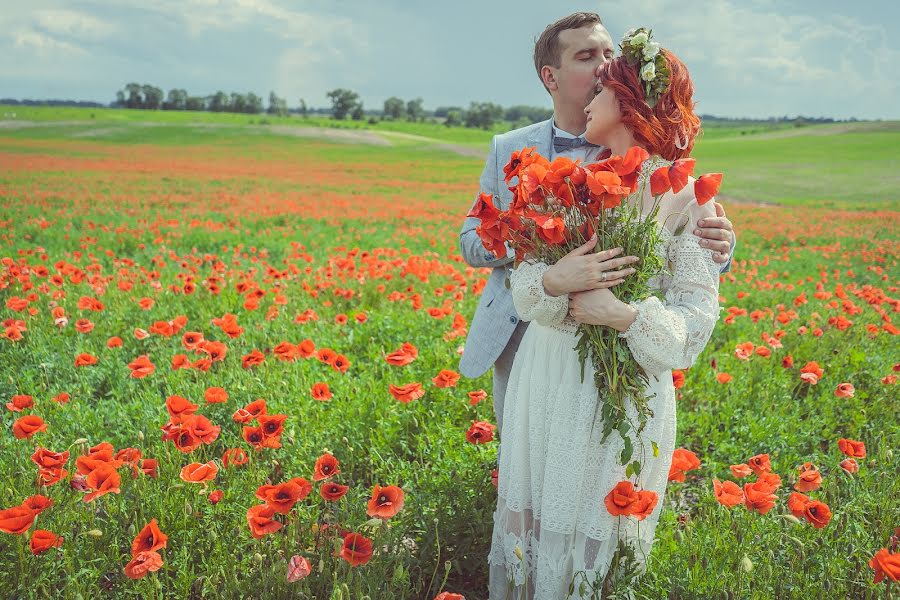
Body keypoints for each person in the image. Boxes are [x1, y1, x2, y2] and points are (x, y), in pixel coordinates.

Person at [486, 27, 722, 598]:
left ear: (627, 102)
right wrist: (553, 280)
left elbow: (694, 323)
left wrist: (621, 314)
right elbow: (523, 284)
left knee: (599, 528)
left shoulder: (687, 197)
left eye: (603, 89)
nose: (589, 97)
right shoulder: (570, 182)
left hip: (621, 392)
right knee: (537, 522)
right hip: (545, 378)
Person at [458, 13, 735, 443]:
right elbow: (471, 243)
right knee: (520, 457)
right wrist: (538, 239)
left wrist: (722, 246)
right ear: (551, 77)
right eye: (587, 56)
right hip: (519, 332)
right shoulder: (509, 147)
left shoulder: (638, 152)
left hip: (608, 342)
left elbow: (682, 248)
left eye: (610, 54)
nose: (604, 65)